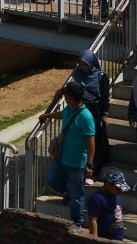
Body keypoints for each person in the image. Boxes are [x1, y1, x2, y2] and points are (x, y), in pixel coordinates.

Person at [40, 82, 95, 229]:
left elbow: (91, 143)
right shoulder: (70, 109)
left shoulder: (86, 117)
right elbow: (61, 114)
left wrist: (89, 164)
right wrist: (46, 115)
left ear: (70, 97)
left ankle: (77, 223)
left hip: (77, 163)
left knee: (77, 196)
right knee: (52, 179)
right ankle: (69, 192)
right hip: (62, 158)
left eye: (66, 95)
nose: (64, 97)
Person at [59, 51, 111, 176]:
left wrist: (105, 114)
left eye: (85, 65)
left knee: (94, 139)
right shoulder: (78, 73)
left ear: (92, 63)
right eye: (81, 64)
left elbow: (105, 97)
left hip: (94, 110)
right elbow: (72, 89)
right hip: (79, 108)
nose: (83, 68)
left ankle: (95, 170)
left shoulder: (101, 76)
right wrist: (61, 91)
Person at [86, 167, 129, 241]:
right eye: (118, 189)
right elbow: (93, 220)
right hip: (105, 238)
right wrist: (95, 239)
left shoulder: (116, 197)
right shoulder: (97, 198)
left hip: (117, 238)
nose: (120, 191)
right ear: (108, 184)